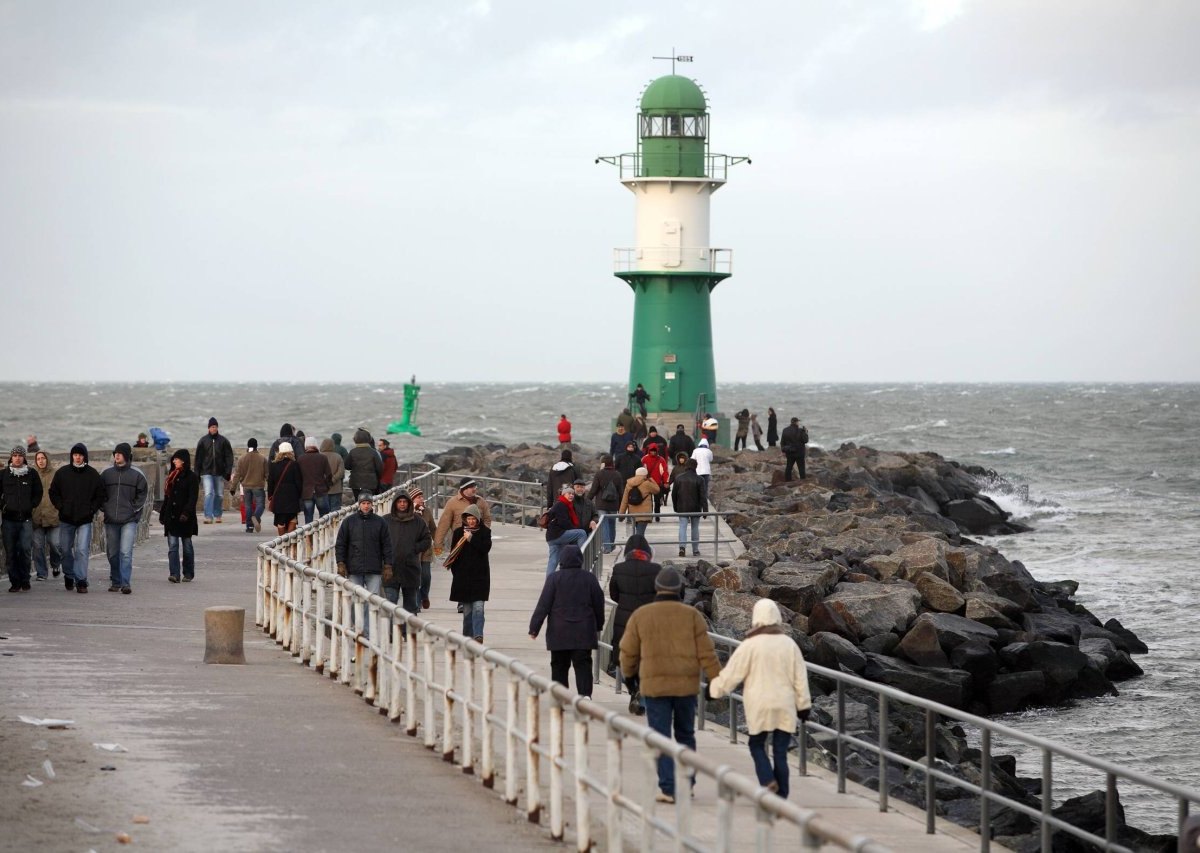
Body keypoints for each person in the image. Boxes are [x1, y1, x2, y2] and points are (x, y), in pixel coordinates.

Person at [619, 567, 721, 804]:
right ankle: (687, 783)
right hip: (686, 687)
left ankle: (668, 788)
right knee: (686, 734)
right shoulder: (692, 616)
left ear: (657, 589)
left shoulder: (642, 615)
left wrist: (631, 678)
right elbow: (708, 653)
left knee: (660, 737)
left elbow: (627, 653)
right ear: (680, 591)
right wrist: (717, 682)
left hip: (655, 688)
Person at [707, 599, 812, 798]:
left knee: (756, 744)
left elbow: (732, 675)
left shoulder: (750, 645)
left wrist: (713, 691)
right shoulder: (789, 644)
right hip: (785, 703)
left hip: (759, 704)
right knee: (781, 752)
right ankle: (782, 797)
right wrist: (804, 706)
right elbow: (800, 678)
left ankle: (767, 780)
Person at [528, 544, 605, 697]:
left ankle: (560, 697)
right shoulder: (589, 578)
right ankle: (585, 696)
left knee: (559, 666)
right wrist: (599, 624)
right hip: (583, 631)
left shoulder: (554, 578)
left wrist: (534, 628)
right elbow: (598, 603)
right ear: (580, 559)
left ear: (562, 560)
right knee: (583, 665)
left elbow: (544, 604)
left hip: (559, 632)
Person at [607, 533, 659, 713]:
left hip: (625, 622)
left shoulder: (619, 569)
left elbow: (614, 595)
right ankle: (641, 694)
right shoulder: (656, 570)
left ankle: (633, 690)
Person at [335, 492, 393, 642]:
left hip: (374, 568)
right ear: (358, 504)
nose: (366, 506)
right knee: (356, 601)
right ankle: (358, 627)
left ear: (372, 504)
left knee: (371, 601)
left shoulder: (380, 523)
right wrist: (340, 562)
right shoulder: (349, 522)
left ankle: (365, 633)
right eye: (363, 503)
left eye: (368, 503)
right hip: (354, 568)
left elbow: (387, 546)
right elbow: (341, 544)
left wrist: (388, 565)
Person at [49, 442, 105, 593]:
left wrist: (91, 510)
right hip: (66, 518)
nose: (77, 457)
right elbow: (53, 492)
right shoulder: (62, 473)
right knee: (65, 549)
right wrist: (61, 507)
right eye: (75, 455)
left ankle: (81, 580)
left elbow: (100, 495)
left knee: (81, 550)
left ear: (85, 457)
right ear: (71, 456)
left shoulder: (93, 474)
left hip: (85, 519)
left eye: (80, 455)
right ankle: (69, 574)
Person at [101, 442, 148, 595]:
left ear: (127, 456)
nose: (117, 455)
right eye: (115, 453)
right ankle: (116, 581)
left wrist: (132, 509)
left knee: (126, 552)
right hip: (111, 519)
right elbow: (99, 493)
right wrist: (105, 508)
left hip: (129, 519)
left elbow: (142, 495)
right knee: (113, 553)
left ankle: (125, 583)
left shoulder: (137, 474)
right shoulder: (106, 473)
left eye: (120, 453)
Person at [383, 491, 431, 623]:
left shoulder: (418, 522)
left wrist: (415, 549)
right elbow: (376, 540)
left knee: (410, 606)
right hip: (390, 569)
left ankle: (409, 633)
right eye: (399, 501)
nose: (402, 504)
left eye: (404, 502)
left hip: (411, 569)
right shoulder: (385, 520)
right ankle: (390, 633)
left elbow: (427, 539)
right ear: (395, 503)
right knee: (390, 604)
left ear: (409, 503)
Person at [447, 504, 492, 642]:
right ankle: (467, 638)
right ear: (464, 519)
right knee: (467, 612)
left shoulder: (485, 532)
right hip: (463, 579)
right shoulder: (458, 533)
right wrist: (457, 573)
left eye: (474, 518)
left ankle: (478, 635)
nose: (471, 521)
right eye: (468, 518)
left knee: (478, 608)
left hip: (480, 578)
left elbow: (485, 548)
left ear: (478, 519)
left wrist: (471, 538)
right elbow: (453, 555)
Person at [1, 446, 42, 592]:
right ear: (11, 458)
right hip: (8, 520)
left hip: (25, 520)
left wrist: (30, 505)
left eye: (20, 455)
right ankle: (15, 582)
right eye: (15, 455)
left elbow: (38, 492)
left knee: (25, 550)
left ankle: (25, 579)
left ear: (24, 458)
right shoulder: (4, 474)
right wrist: (4, 505)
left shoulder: (31, 474)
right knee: (11, 552)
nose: (17, 458)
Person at [160, 448, 199, 583]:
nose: (174, 461)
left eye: (176, 459)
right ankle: (174, 573)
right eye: (174, 459)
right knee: (173, 546)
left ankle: (188, 573)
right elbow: (167, 497)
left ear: (183, 461)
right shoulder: (172, 476)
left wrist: (186, 513)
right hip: (171, 516)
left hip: (185, 517)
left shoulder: (192, 477)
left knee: (187, 545)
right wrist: (163, 513)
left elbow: (193, 498)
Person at [432, 478, 493, 554]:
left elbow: (487, 519)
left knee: (477, 564)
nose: (475, 489)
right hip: (459, 543)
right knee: (460, 565)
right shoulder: (452, 502)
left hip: (477, 541)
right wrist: (438, 545)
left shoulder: (481, 501)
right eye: (472, 487)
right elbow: (443, 524)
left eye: (475, 487)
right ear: (465, 488)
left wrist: (483, 533)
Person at [194, 417, 234, 524]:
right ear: (208, 428)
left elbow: (229, 457)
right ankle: (208, 516)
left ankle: (217, 515)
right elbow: (198, 458)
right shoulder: (203, 441)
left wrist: (228, 471)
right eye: (212, 427)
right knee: (208, 493)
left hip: (219, 472)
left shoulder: (224, 441)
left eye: (215, 427)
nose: (214, 428)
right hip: (206, 472)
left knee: (219, 494)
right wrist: (196, 473)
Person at [30, 451, 60, 581]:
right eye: (38, 459)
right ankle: (41, 573)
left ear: (47, 459)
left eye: (43, 458)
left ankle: (56, 564)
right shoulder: (32, 475)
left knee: (55, 543)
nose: (41, 461)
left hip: (54, 515)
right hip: (36, 516)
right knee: (37, 546)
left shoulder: (56, 474)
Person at [545, 483, 587, 577]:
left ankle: (549, 580)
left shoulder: (563, 504)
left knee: (553, 560)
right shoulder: (561, 505)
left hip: (551, 537)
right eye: (569, 494)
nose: (571, 495)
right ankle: (581, 557)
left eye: (572, 494)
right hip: (557, 534)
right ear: (564, 495)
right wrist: (575, 529)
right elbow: (564, 523)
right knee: (581, 533)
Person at [587, 455, 624, 554]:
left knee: (604, 525)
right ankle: (611, 546)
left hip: (601, 504)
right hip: (614, 504)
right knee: (612, 525)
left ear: (603, 463)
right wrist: (622, 506)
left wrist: (587, 500)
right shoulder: (617, 474)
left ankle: (607, 548)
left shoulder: (599, 474)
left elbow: (593, 490)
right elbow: (621, 492)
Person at [230, 437, 268, 532]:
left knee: (248, 506)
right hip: (258, 486)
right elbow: (267, 474)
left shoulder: (242, 459)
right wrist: (271, 487)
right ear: (256, 446)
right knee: (261, 504)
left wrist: (233, 488)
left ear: (248, 446)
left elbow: (237, 474)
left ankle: (249, 527)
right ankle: (255, 516)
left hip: (246, 486)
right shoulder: (262, 458)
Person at [671, 459, 707, 557]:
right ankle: (695, 550)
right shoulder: (700, 479)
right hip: (696, 507)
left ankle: (682, 547)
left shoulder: (679, 478)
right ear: (696, 466)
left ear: (686, 466)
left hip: (682, 507)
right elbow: (703, 496)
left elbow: (674, 494)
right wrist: (705, 510)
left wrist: (675, 507)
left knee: (682, 527)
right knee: (695, 528)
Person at [267, 442, 303, 535]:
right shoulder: (295, 464)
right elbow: (299, 482)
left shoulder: (274, 465)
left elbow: (270, 482)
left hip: (279, 497)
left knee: (280, 521)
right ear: (291, 452)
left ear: (279, 452)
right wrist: (299, 495)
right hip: (292, 496)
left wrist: (270, 496)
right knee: (292, 518)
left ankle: (282, 542)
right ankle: (290, 541)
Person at [409, 485, 436, 610]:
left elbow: (433, 529)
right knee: (415, 576)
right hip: (413, 549)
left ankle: (424, 595)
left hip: (426, 549)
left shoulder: (427, 511)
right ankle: (417, 602)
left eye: (421, 497)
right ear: (412, 499)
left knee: (426, 576)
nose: (421, 499)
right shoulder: (408, 512)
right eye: (418, 497)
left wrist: (438, 543)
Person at [298, 437, 333, 525]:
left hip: (306, 492)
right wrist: (327, 486)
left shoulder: (300, 459)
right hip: (321, 490)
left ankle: (309, 538)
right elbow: (329, 474)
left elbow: (298, 477)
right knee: (324, 517)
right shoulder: (322, 457)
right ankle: (322, 536)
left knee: (308, 517)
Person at [619, 466, 659, 537]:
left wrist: (621, 515)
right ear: (645, 475)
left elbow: (624, 500)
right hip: (644, 513)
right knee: (640, 534)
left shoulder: (629, 484)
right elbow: (657, 490)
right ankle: (638, 546)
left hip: (633, 513)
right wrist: (652, 480)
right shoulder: (647, 483)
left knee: (638, 532)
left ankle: (637, 546)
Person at [346, 428, 382, 496]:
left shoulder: (352, 452)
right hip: (371, 483)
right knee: (370, 502)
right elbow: (380, 468)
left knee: (358, 502)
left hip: (356, 483)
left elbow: (347, 466)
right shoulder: (373, 452)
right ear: (368, 439)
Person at [641, 443, 669, 516]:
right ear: (649, 451)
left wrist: (666, 481)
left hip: (657, 483)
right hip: (648, 483)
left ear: (657, 451)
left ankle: (657, 515)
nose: (653, 452)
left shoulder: (661, 460)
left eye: (654, 451)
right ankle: (650, 515)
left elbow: (665, 472)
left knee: (657, 501)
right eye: (651, 451)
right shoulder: (644, 459)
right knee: (648, 501)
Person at [319, 438, 345, 513]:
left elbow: (317, 472)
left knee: (324, 514)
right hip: (336, 488)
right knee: (335, 512)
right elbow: (341, 472)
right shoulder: (338, 457)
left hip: (322, 489)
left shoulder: (319, 456)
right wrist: (332, 480)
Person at [780, 417, 809, 481]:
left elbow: (782, 442)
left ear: (791, 422)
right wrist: (806, 432)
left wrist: (783, 451)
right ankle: (803, 482)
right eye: (798, 422)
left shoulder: (785, 430)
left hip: (790, 452)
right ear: (796, 422)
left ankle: (787, 482)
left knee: (788, 468)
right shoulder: (801, 430)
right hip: (799, 453)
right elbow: (805, 440)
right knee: (801, 469)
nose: (798, 423)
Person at [691, 438, 714, 506]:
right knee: (705, 486)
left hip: (697, 471)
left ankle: (697, 499)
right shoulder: (709, 451)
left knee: (697, 486)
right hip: (706, 471)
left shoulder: (695, 450)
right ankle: (704, 501)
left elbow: (692, 459)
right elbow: (711, 459)